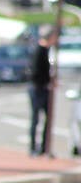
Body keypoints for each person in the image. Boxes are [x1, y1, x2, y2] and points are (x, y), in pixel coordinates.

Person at [28, 28, 57, 156]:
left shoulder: (45, 50)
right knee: (36, 118)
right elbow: (36, 72)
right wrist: (48, 81)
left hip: (41, 87)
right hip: (38, 88)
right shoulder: (40, 51)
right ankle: (34, 147)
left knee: (45, 118)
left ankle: (43, 147)